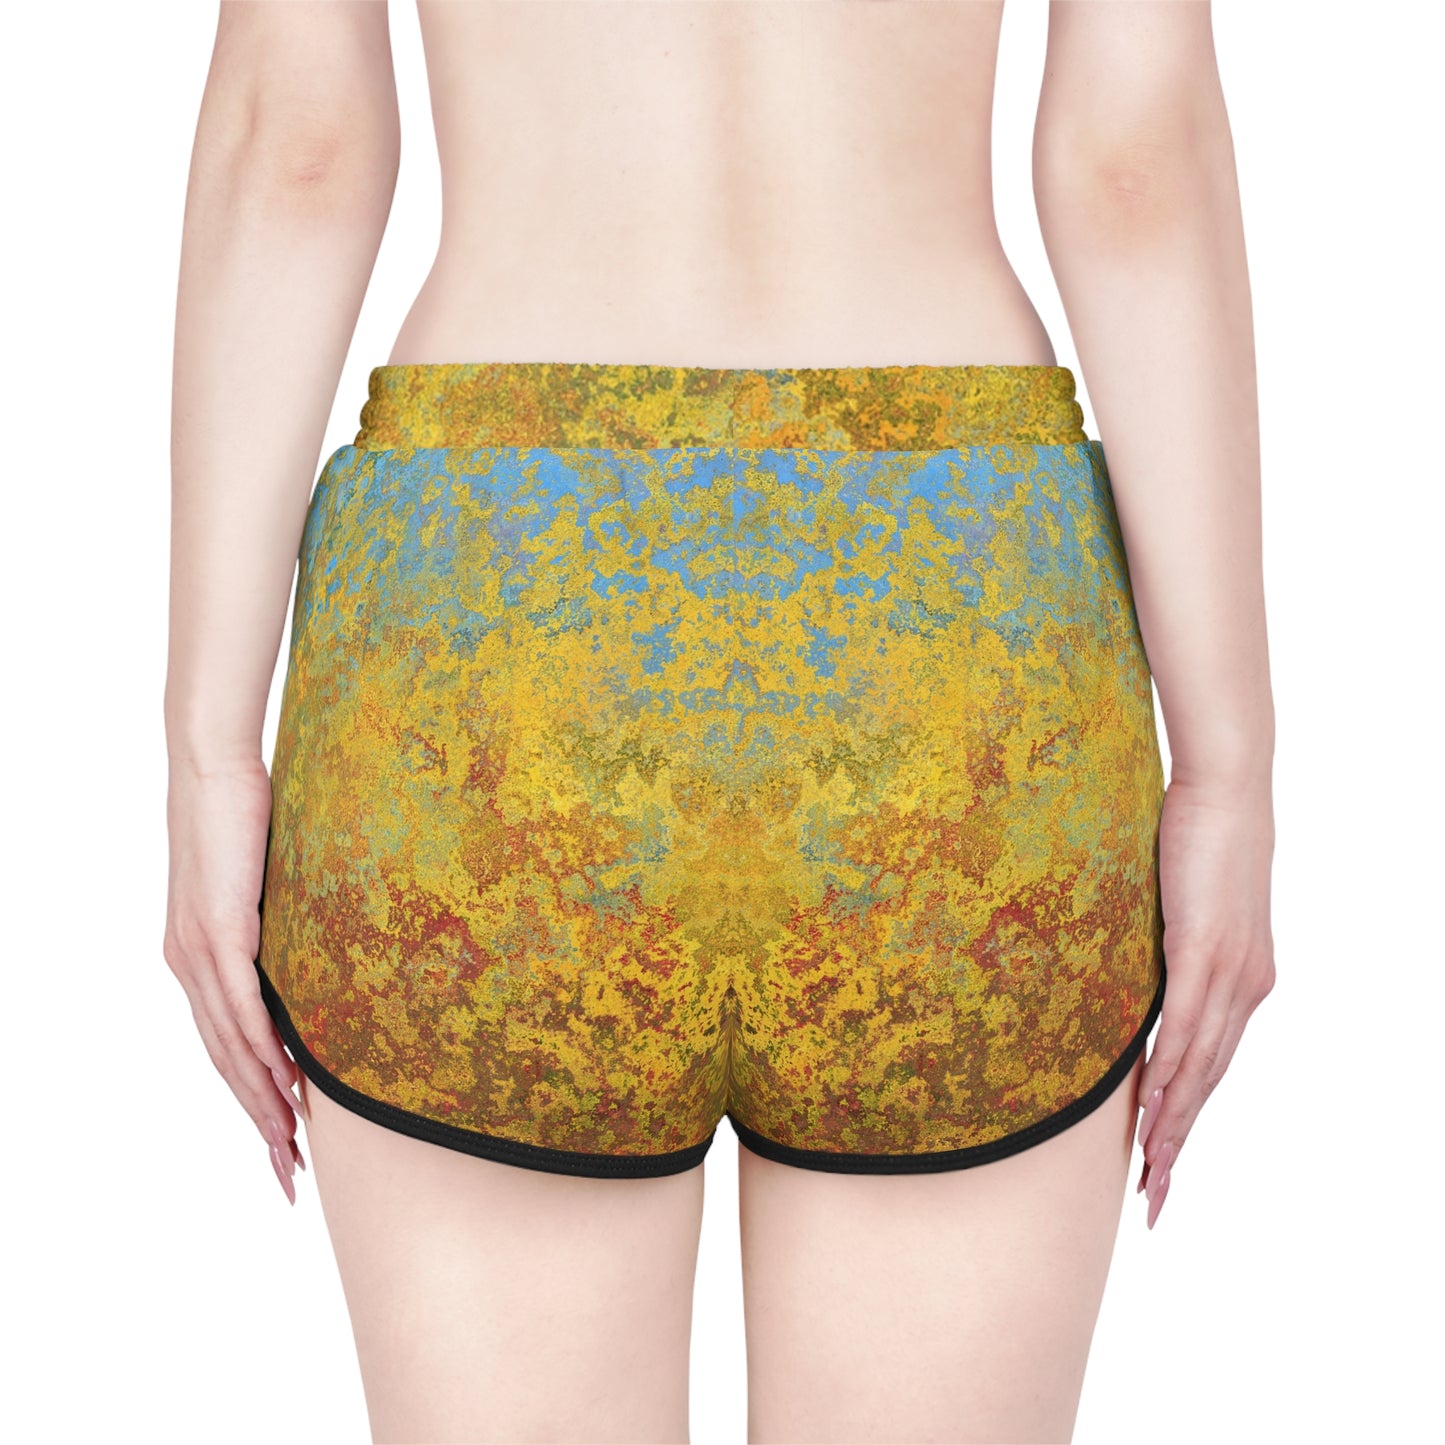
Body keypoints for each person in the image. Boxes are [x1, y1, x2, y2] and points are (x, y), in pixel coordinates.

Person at [162, 2, 1276, 1441]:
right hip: (950, 618)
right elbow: (1133, 160)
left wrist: (208, 748)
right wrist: (1226, 767)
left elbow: (296, 144)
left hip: (497, 617)